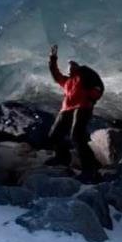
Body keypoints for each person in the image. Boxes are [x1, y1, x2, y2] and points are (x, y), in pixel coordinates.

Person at [45, 44, 104, 182]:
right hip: (66, 109)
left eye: (73, 66)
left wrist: (91, 99)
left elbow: (98, 86)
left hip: (82, 107)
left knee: (77, 136)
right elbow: (55, 73)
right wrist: (52, 59)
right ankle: (62, 157)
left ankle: (90, 169)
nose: (70, 68)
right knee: (54, 135)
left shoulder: (84, 75)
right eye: (69, 67)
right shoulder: (66, 81)